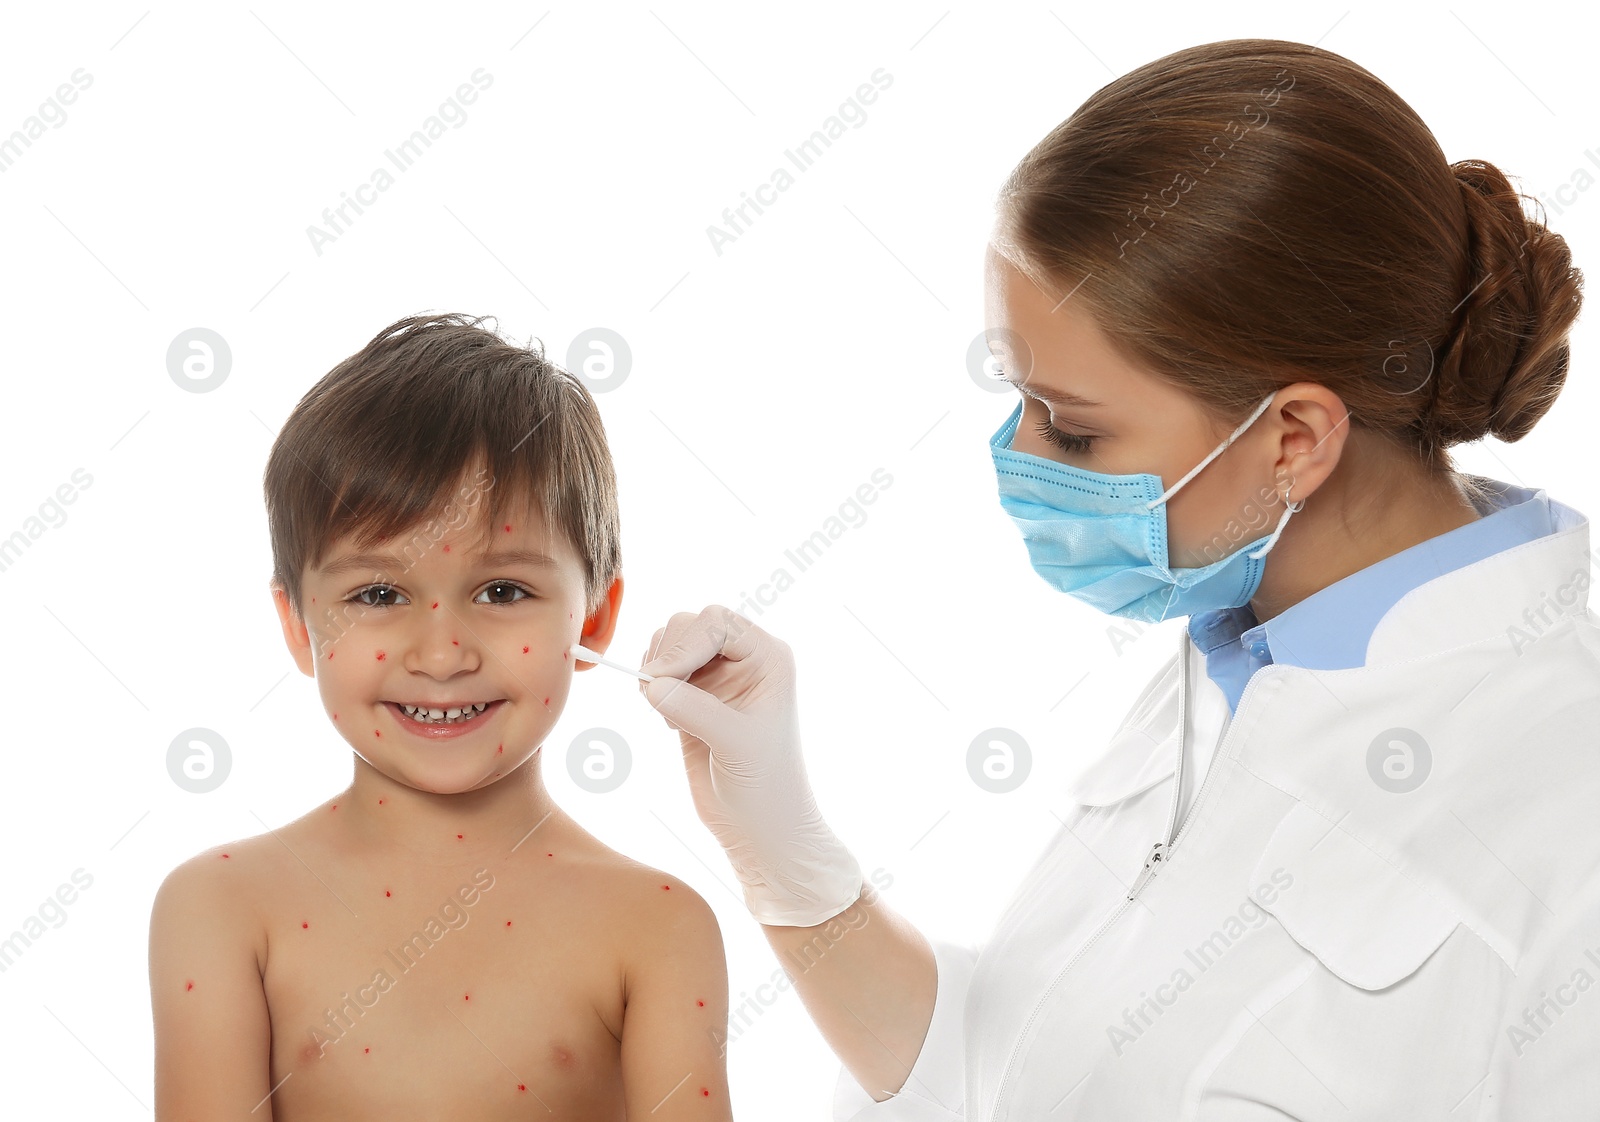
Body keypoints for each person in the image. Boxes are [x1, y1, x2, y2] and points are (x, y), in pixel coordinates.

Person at [632, 38, 1599, 1119]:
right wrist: (790, 862)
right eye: (1022, 397)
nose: (1020, 461)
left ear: (1291, 439)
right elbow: (1009, 1074)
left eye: (1076, 432)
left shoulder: (1567, 805)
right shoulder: (1236, 659)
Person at [147, 314, 733, 1120]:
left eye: (503, 592)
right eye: (379, 595)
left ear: (593, 620)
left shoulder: (658, 927)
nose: (443, 653)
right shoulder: (222, 909)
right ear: (298, 627)